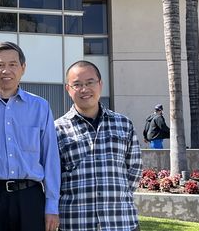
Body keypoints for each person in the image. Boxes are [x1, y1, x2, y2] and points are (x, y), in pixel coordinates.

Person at [0, 41, 60, 231]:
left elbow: (51, 160)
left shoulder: (40, 107)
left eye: (12, 64)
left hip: (30, 199)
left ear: (23, 68)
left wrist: (51, 206)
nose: (6, 70)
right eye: (0, 65)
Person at [55, 60, 142, 231]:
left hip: (121, 222)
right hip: (76, 223)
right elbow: (53, 178)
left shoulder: (124, 124)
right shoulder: (57, 129)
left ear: (101, 84)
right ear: (68, 89)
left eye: (90, 82)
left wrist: (115, 197)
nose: (84, 89)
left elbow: (134, 169)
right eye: (77, 84)